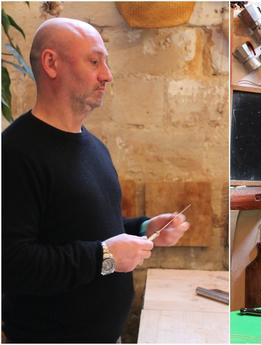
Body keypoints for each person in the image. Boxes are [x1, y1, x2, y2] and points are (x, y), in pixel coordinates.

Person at [2, 18, 190, 343]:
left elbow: (88, 229)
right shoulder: (15, 153)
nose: (107, 75)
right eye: (94, 61)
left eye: (106, 62)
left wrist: (144, 229)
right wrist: (105, 257)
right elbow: (15, 264)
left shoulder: (94, 146)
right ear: (51, 63)